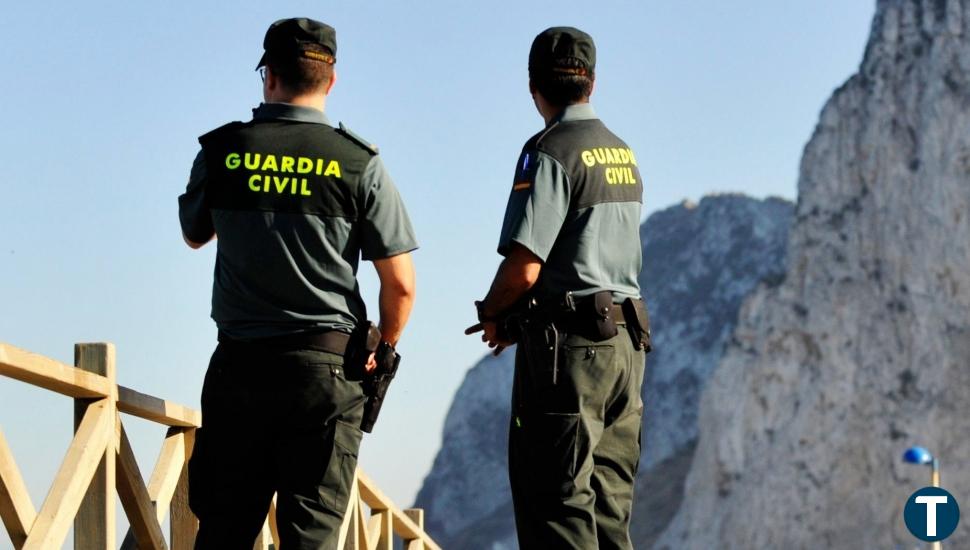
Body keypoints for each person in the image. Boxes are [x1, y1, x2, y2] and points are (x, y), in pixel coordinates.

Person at [178, 17, 417, 548]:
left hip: (240, 367)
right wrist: (387, 348)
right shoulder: (360, 163)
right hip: (327, 375)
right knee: (311, 536)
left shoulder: (222, 151)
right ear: (331, 82)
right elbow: (399, 284)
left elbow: (194, 235)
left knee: (224, 528)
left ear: (268, 76)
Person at [466, 26, 650, 549]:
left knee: (558, 507)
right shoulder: (623, 154)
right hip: (626, 345)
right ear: (592, 82)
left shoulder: (549, 150)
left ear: (533, 86)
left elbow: (526, 265)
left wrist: (493, 312)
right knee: (610, 511)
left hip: (569, 356)